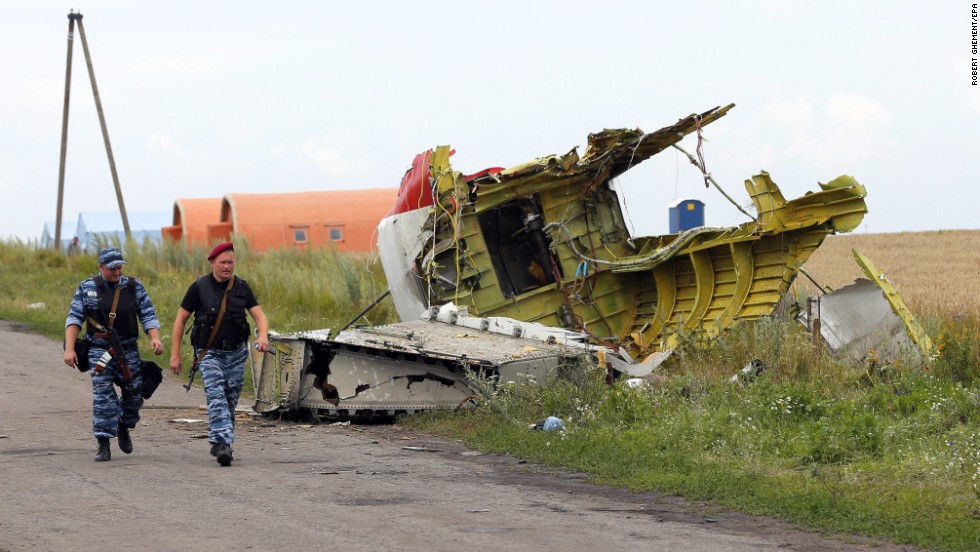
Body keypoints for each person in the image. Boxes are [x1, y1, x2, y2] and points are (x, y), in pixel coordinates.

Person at [169, 242, 269, 466]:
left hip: (236, 353)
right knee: (216, 395)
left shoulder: (242, 287)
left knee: (230, 399)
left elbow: (259, 316)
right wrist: (175, 354)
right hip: (209, 353)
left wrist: (262, 336)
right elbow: (180, 320)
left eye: (230, 262)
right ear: (212, 262)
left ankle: (220, 440)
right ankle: (223, 443)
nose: (227, 266)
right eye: (223, 262)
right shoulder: (199, 287)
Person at [64, 247, 165, 462]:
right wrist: (69, 349)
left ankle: (123, 424)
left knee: (135, 393)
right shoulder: (87, 288)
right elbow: (74, 319)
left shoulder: (134, 287)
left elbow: (148, 314)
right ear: (101, 266)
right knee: (102, 394)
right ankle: (103, 443)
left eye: (120, 266)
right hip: (100, 351)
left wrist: (154, 337)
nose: (117, 271)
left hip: (127, 350)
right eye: (112, 268)